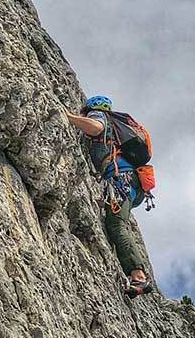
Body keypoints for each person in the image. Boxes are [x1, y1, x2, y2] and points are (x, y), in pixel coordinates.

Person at [66, 95, 153, 298]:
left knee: (117, 224)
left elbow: (95, 127)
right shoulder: (117, 129)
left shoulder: (99, 115)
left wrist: (69, 117)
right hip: (130, 183)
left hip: (121, 180)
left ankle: (139, 276)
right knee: (117, 223)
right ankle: (136, 273)